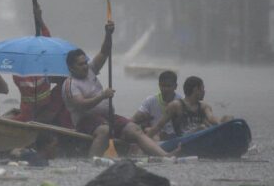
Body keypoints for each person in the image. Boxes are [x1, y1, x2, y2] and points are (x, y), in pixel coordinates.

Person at [62, 20, 176, 158]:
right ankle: (92, 163)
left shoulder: (91, 69)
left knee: (135, 129)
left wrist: (108, 34)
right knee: (105, 130)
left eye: (85, 62)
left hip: (107, 117)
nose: (85, 66)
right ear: (71, 68)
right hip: (85, 121)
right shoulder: (70, 84)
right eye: (81, 64)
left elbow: (104, 52)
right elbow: (80, 104)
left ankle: (165, 156)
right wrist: (102, 96)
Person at [10, 4, 72, 129]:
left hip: (39, 113)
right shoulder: (29, 73)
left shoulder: (20, 71)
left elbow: (46, 41)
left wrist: (40, 20)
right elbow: (47, 41)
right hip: (31, 115)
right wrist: (40, 20)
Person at [145, 76, 233, 140]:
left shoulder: (204, 106)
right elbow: (158, 126)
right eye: (202, 89)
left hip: (203, 135)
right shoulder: (176, 105)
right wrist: (143, 142)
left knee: (228, 118)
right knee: (202, 127)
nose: (204, 92)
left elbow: (211, 118)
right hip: (184, 139)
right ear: (196, 90)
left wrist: (221, 124)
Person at [131, 70, 182, 141]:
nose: (166, 89)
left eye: (169, 86)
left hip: (176, 136)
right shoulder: (150, 100)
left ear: (175, 86)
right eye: (163, 86)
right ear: (159, 85)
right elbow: (133, 120)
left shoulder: (181, 101)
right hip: (155, 135)